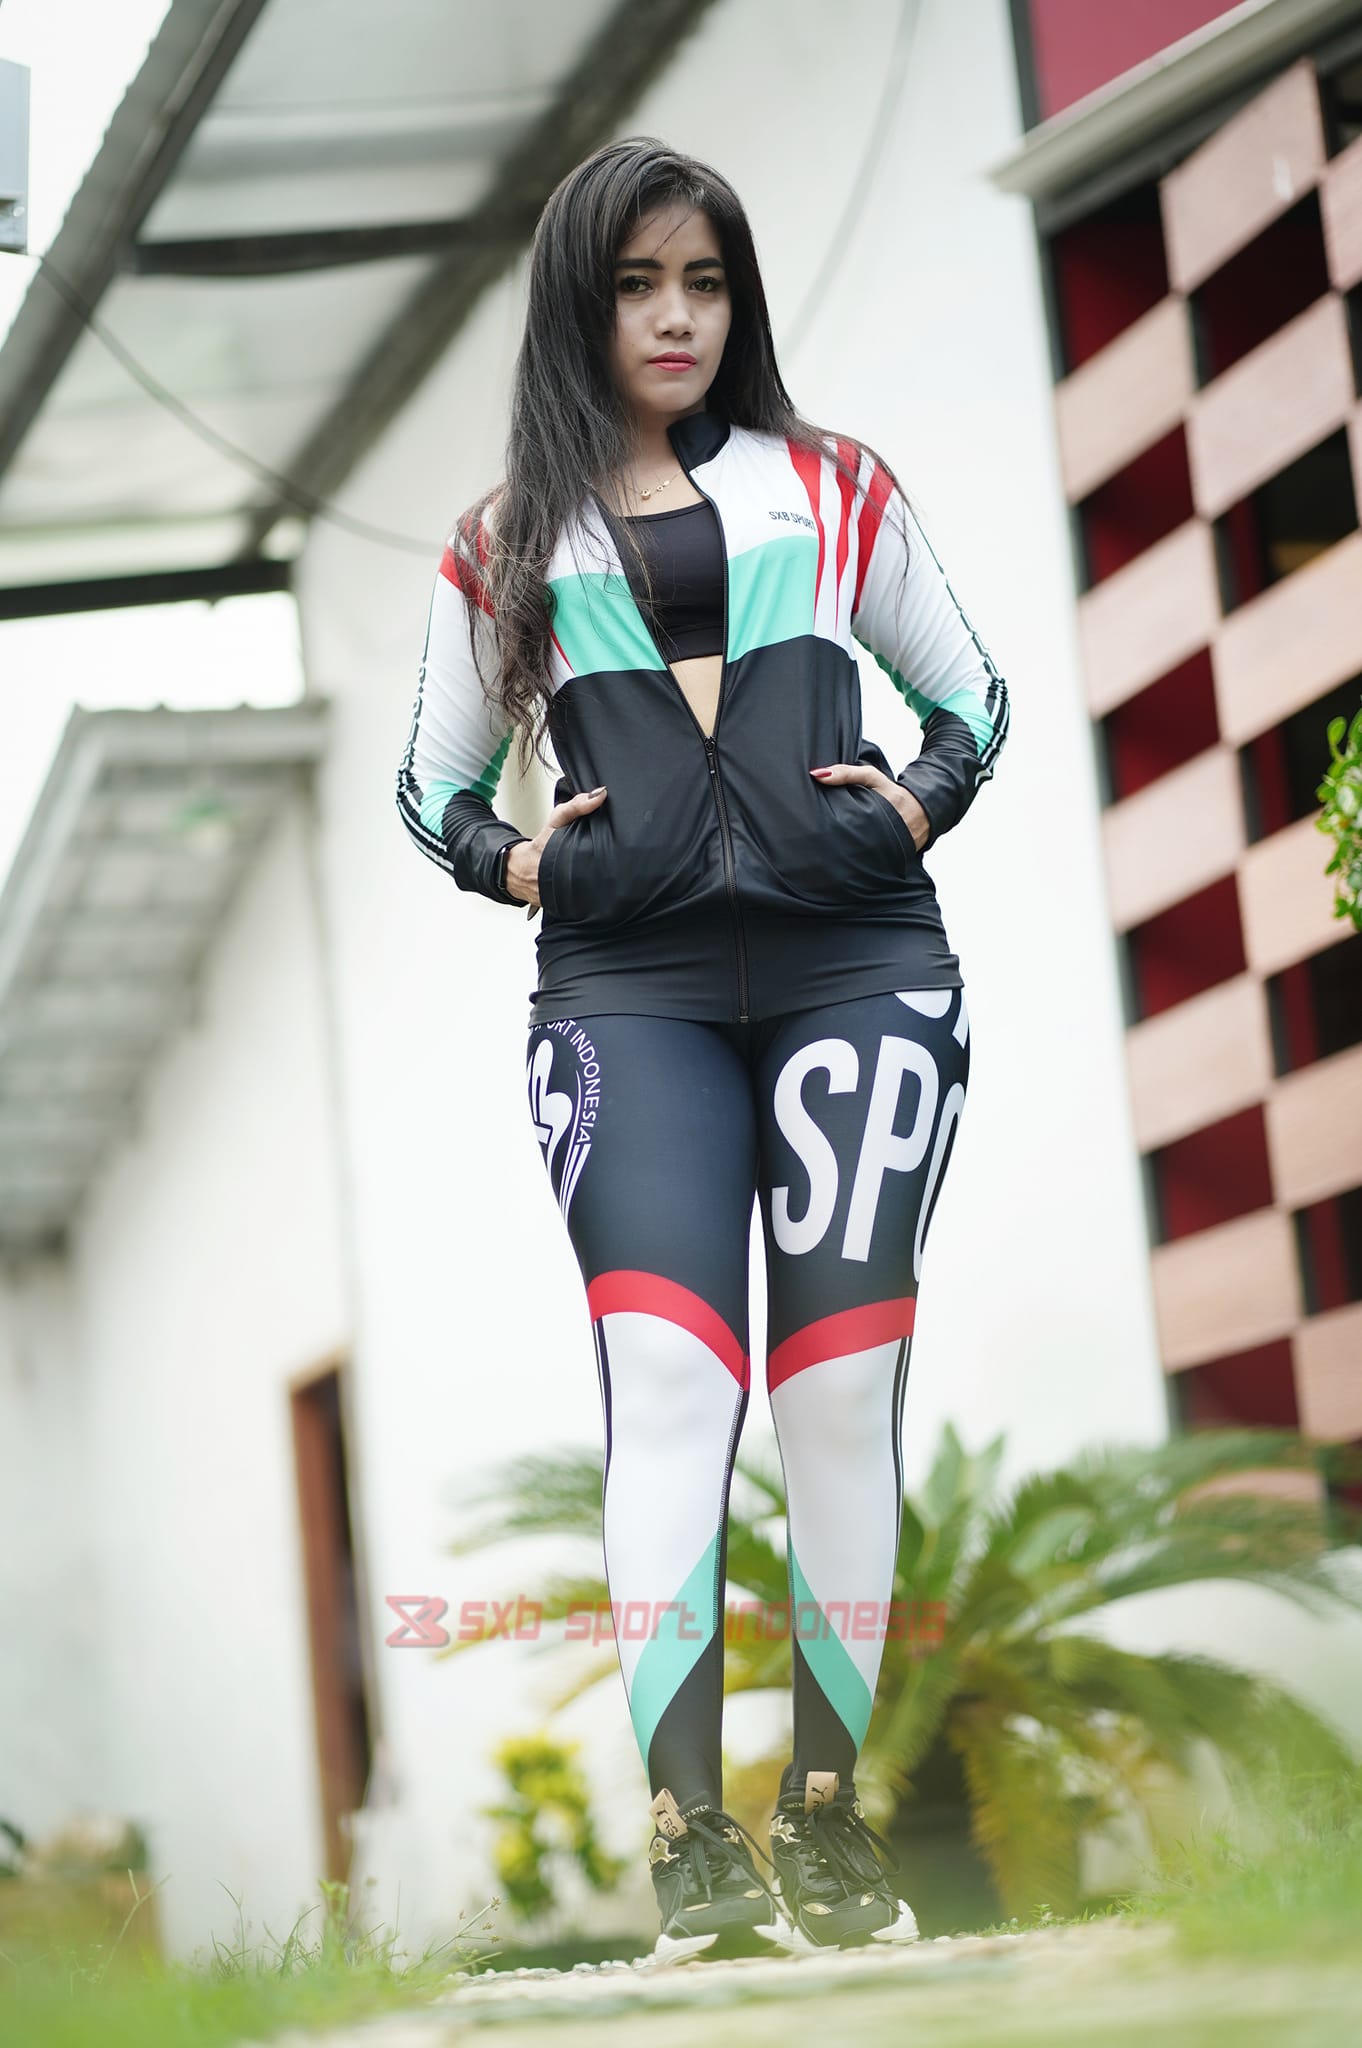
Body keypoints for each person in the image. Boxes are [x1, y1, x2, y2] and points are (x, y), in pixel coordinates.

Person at [397, 137, 1010, 1965]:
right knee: (668, 1385)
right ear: (576, 307)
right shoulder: (504, 539)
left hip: (860, 972)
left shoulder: (834, 486)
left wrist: (909, 806)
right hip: (624, 996)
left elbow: (970, 695)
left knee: (834, 1391)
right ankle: (689, 1839)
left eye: (706, 282)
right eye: (636, 284)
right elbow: (431, 785)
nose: (675, 317)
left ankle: (824, 1815)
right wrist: (523, 863)